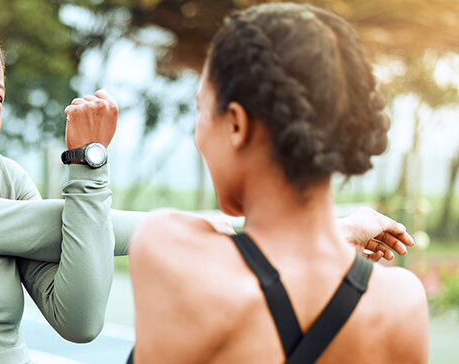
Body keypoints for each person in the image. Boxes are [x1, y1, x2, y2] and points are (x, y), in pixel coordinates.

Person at [0, 6, 416, 364]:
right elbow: (60, 224)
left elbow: (79, 320)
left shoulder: (0, 177)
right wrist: (88, 161)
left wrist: (88, 174)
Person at [128, 3, 428, 363]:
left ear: (236, 124)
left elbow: (247, 246)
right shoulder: (403, 302)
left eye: (202, 110)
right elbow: (287, 253)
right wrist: (335, 234)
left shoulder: (169, 247)